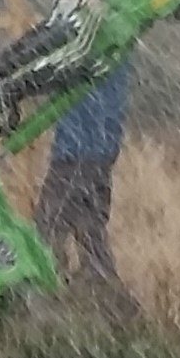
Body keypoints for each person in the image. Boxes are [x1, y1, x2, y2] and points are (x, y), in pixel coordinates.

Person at [37, 58, 129, 306]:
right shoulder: (113, 40)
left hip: (78, 150)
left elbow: (52, 64)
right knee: (89, 229)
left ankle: (43, 296)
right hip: (99, 149)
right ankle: (109, 300)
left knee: (48, 229)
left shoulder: (89, 33)